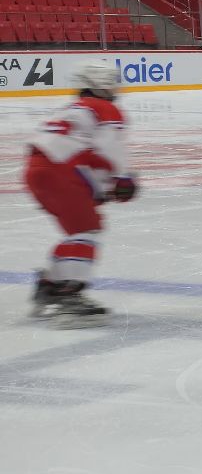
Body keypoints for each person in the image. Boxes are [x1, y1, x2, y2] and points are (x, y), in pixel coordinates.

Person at [24, 60, 136, 321]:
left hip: (36, 171)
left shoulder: (72, 108)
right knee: (86, 231)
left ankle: (50, 285)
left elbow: (83, 152)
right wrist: (122, 178)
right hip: (61, 169)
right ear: (100, 83)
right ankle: (69, 294)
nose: (115, 89)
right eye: (112, 83)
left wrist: (100, 186)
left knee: (78, 232)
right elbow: (108, 147)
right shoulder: (104, 107)